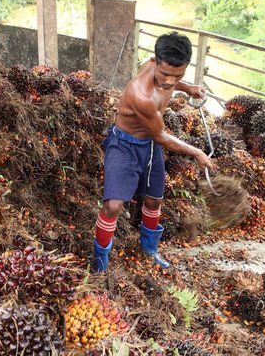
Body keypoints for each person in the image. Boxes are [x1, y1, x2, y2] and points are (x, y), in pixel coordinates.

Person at [92, 31, 215, 273]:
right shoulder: (142, 94)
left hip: (149, 147)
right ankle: (99, 262)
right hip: (125, 145)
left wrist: (187, 88)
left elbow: (171, 79)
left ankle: (149, 251)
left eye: (178, 75)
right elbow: (161, 136)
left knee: (154, 199)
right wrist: (196, 152)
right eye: (165, 74)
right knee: (113, 205)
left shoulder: (168, 75)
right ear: (153, 62)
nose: (170, 81)